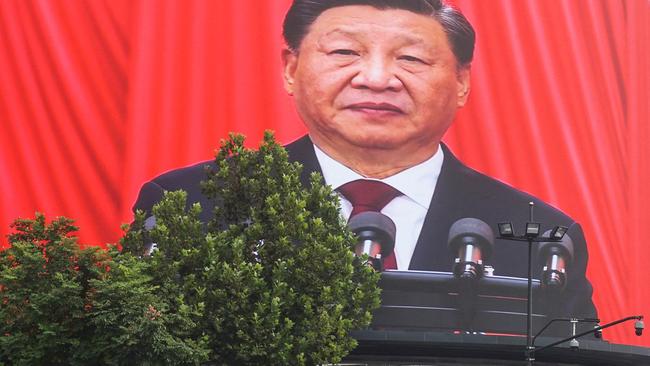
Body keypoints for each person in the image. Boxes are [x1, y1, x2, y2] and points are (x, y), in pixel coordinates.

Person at [134, 0, 597, 328]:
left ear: (461, 82)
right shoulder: (192, 205)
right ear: (291, 69)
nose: (376, 79)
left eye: (411, 58)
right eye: (344, 53)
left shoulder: (541, 235)